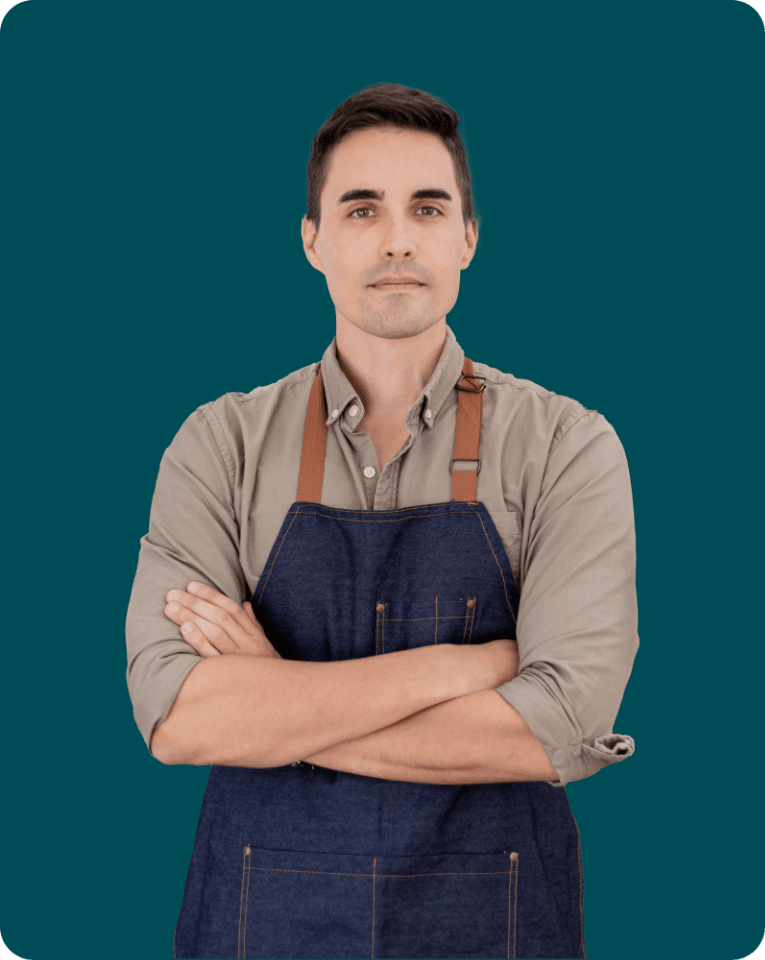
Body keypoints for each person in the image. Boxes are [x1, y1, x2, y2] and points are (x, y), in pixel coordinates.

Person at [126, 82, 638, 960]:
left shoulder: (567, 444)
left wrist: (276, 695)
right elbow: (180, 718)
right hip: (258, 920)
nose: (397, 237)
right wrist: (465, 666)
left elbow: (556, 723)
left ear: (468, 237)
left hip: (497, 919)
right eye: (361, 209)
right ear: (312, 241)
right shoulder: (220, 443)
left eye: (427, 208)